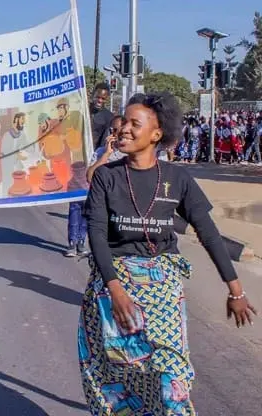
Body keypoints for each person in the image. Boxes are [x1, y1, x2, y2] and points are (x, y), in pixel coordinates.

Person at [80, 92, 256, 415]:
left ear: (156, 133)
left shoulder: (178, 179)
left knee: (172, 379)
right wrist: (116, 291)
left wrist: (236, 290)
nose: (124, 130)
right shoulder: (107, 177)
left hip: (163, 296)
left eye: (136, 124)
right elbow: (97, 236)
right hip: (111, 292)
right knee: (114, 383)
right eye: (123, 123)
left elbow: (208, 232)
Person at [65, 83, 114, 258]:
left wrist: (98, 161)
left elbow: (105, 141)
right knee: (74, 204)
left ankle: (81, 241)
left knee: (88, 205)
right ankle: (71, 242)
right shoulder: (81, 111)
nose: (99, 100)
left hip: (93, 164)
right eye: (98, 97)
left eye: (103, 98)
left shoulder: (108, 117)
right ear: (92, 95)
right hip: (77, 162)